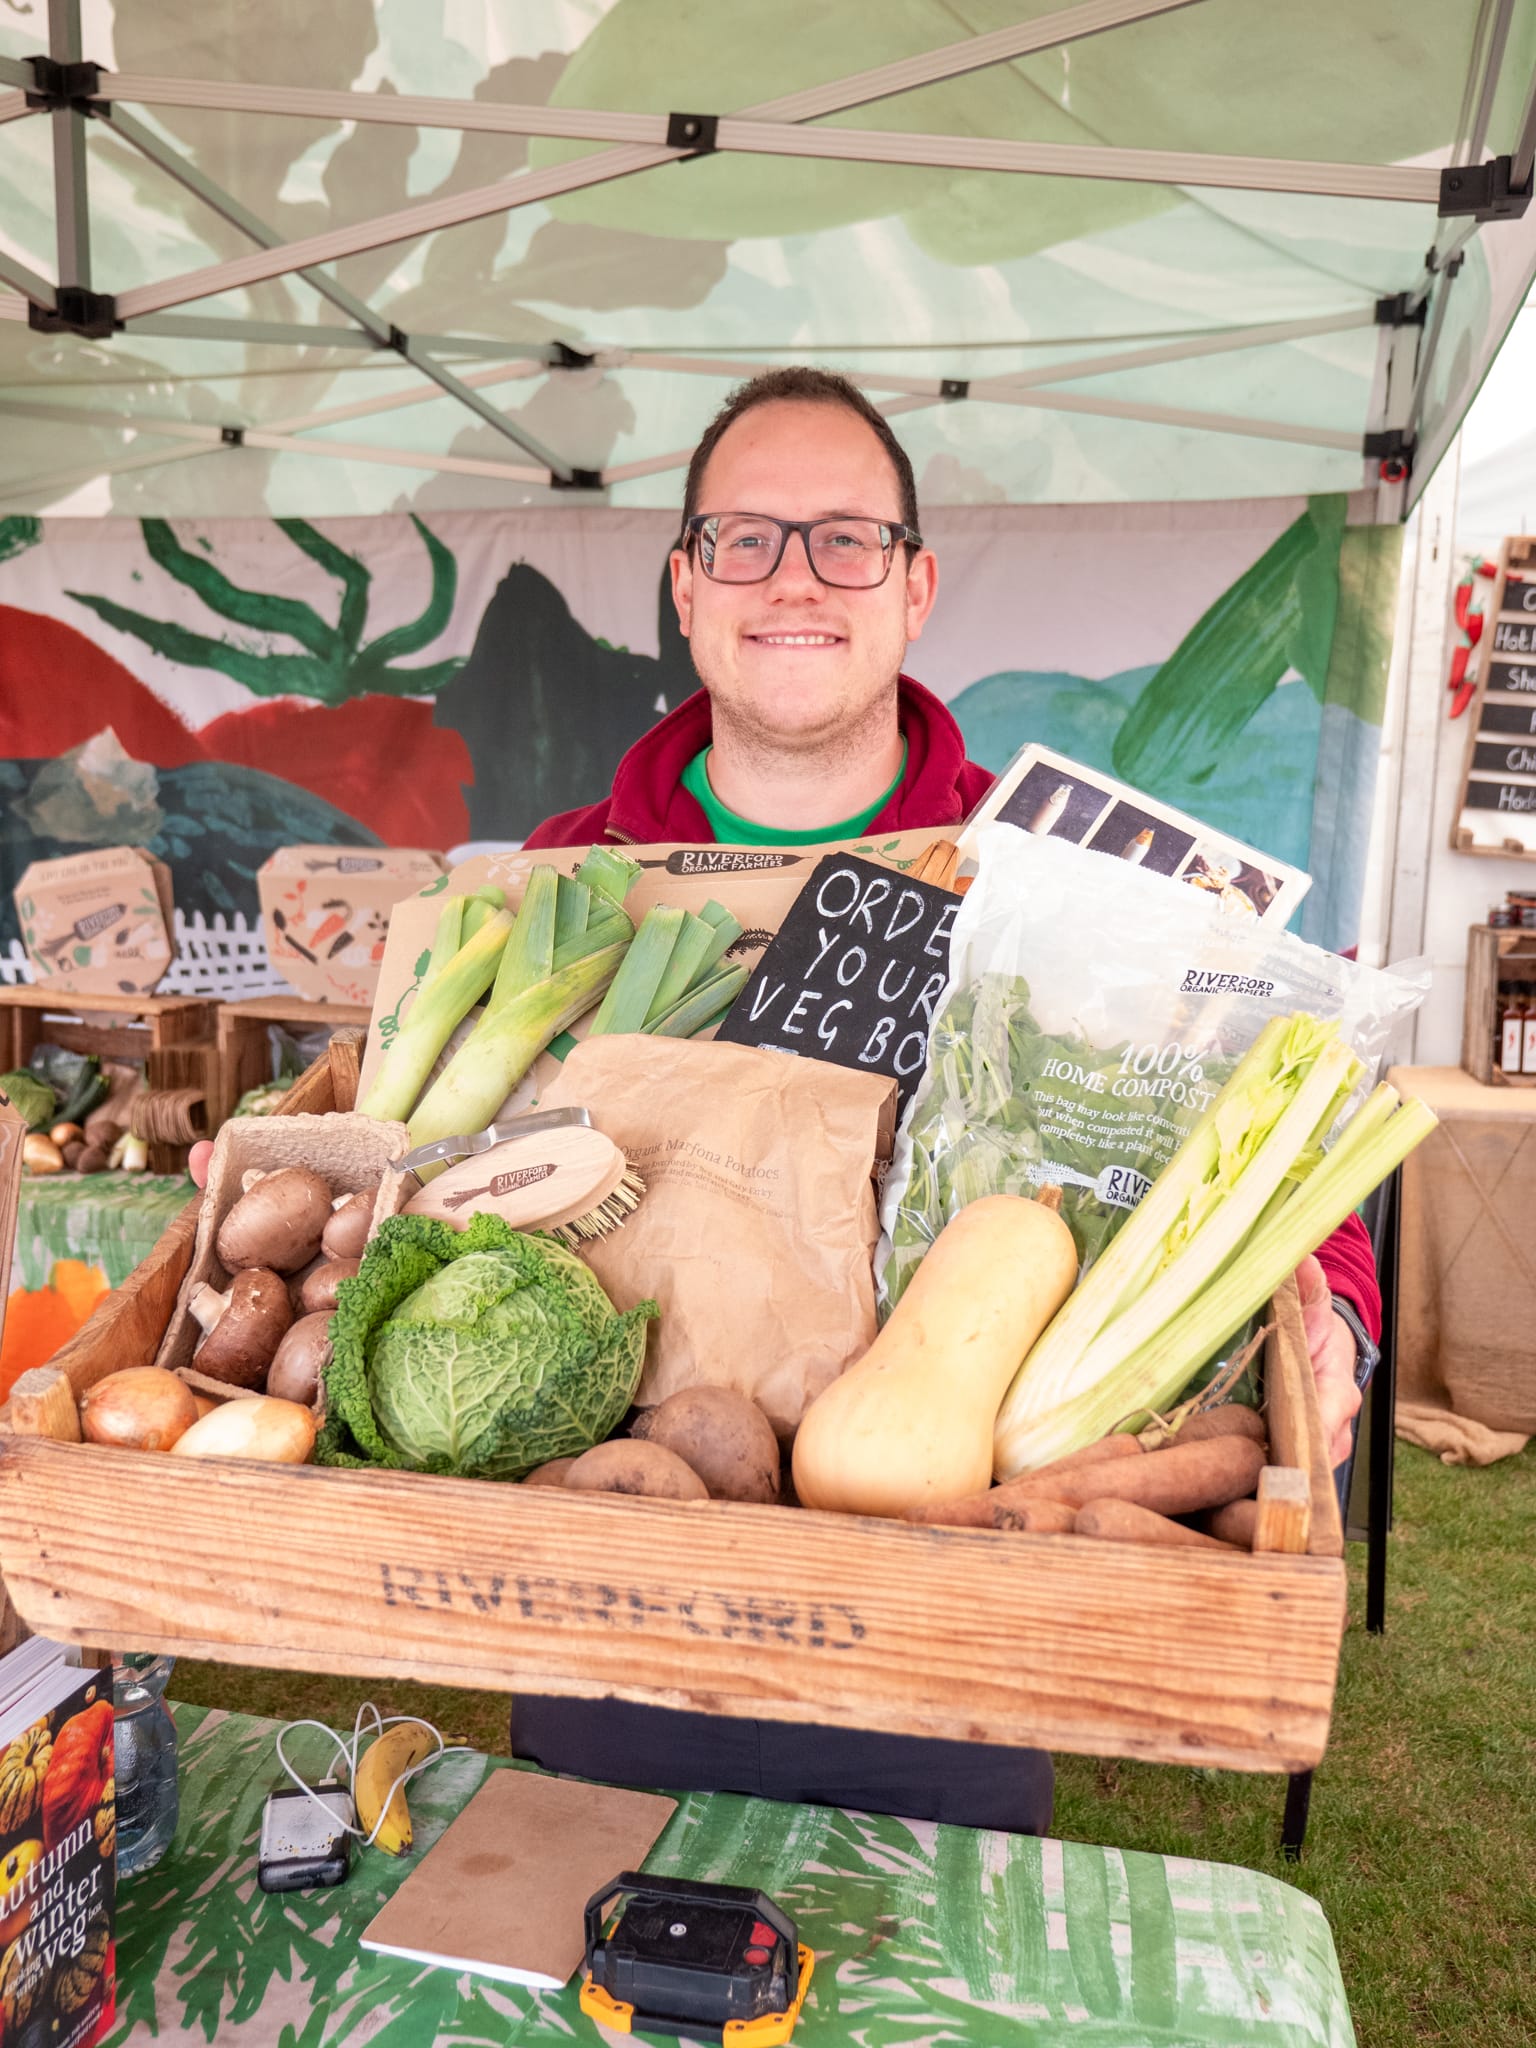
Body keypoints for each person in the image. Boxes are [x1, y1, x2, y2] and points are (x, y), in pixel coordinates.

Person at [189, 370, 1376, 1835]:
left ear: (917, 582)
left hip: (943, 1610)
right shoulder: (561, 876)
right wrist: (277, 1182)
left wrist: (1336, 1329)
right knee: (581, 1933)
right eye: (745, 540)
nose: (795, 579)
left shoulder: (1056, 882)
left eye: (846, 540)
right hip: (599, 1574)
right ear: (687, 589)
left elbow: (1255, 1155)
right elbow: (399, 1128)